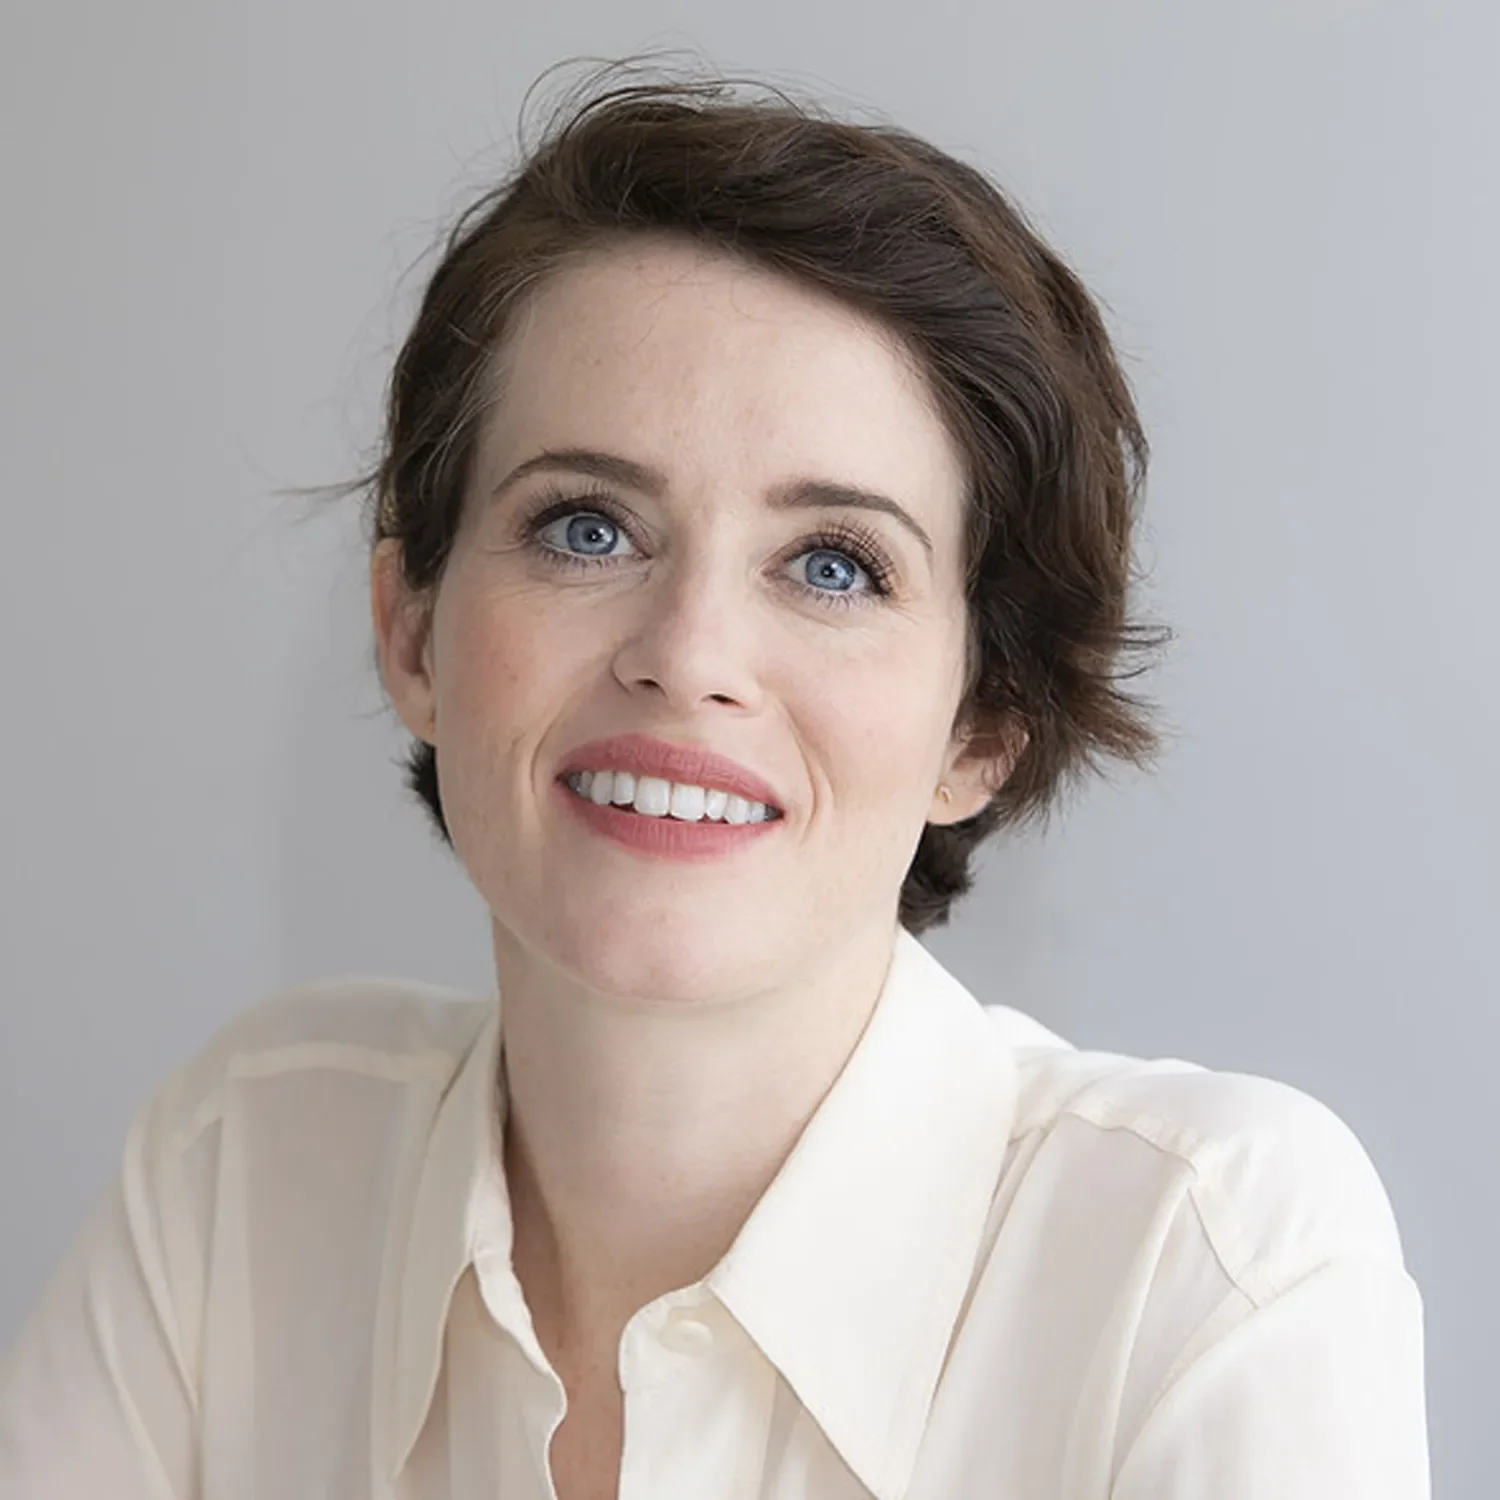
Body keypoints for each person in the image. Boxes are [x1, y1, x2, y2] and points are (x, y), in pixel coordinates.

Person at [0, 65, 1429, 1499]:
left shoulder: (1213, 1268)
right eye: (587, 528)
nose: (687, 658)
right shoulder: (249, 1165)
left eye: (834, 566)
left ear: (983, 726)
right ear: (413, 632)